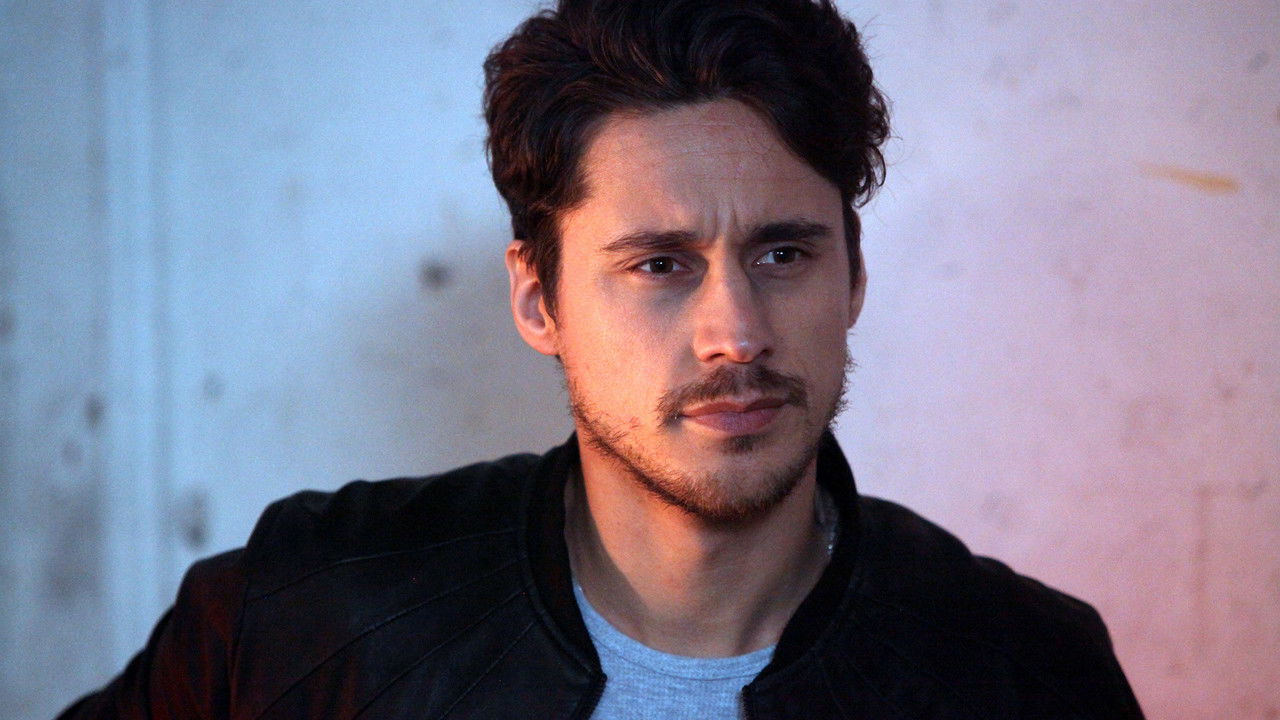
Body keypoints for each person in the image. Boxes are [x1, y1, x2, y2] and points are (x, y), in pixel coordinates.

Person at [60, 0, 1145, 717]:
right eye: (660, 265)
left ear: (852, 279)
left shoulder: (1023, 671)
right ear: (539, 300)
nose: (736, 333)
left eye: (782, 253)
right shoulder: (300, 619)